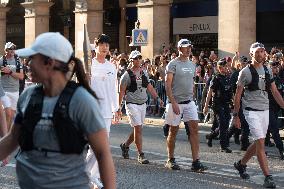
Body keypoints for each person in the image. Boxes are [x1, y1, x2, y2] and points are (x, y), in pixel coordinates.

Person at [0, 32, 116, 189]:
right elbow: (12, 138)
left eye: (33, 59)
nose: (27, 63)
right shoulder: (28, 96)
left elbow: (102, 153)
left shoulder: (81, 101)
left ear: (49, 62)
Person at [233, 42, 284, 188]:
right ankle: (268, 177)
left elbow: (274, 91)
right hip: (251, 110)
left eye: (263, 51)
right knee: (261, 142)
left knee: (257, 143)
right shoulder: (245, 72)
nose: (261, 54)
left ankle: (241, 164)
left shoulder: (268, 69)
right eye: (258, 52)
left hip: (265, 110)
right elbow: (237, 95)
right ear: (252, 54)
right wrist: (236, 115)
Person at [164, 39, 207, 172]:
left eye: (189, 47)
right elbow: (167, 85)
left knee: (194, 131)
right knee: (173, 131)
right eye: (185, 47)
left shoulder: (192, 64)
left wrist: (192, 95)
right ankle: (170, 159)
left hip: (189, 103)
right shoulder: (172, 64)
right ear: (179, 49)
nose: (188, 49)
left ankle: (196, 162)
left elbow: (192, 82)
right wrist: (173, 102)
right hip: (175, 103)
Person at [118, 50, 163, 164]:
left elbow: (149, 87)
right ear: (132, 60)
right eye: (136, 58)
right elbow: (121, 91)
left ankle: (125, 145)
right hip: (131, 104)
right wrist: (118, 107)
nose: (138, 60)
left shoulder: (144, 73)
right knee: (138, 128)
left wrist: (157, 98)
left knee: (137, 129)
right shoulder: (126, 75)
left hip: (142, 104)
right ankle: (140, 154)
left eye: (140, 58)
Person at [86, 34, 119, 189]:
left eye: (107, 44)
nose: (105, 47)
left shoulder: (111, 66)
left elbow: (113, 90)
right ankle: (86, 174)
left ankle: (92, 178)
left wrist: (116, 109)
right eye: (102, 44)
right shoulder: (89, 65)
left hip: (106, 112)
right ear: (96, 45)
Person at [203, 58, 233, 153]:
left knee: (225, 124)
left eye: (225, 66)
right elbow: (210, 92)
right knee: (223, 123)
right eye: (223, 66)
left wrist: (233, 102)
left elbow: (230, 92)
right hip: (218, 104)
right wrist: (206, 106)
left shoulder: (228, 77)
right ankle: (223, 146)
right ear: (219, 68)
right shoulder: (216, 78)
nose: (225, 68)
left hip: (226, 104)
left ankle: (210, 136)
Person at [0, 42, 24, 131]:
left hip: (15, 91)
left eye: (14, 48)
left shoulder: (18, 61)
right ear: (6, 50)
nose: (13, 50)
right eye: (11, 48)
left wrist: (10, 72)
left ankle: (6, 135)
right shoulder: (1, 60)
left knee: (12, 115)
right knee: (7, 114)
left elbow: (21, 76)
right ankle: (3, 135)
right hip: (3, 91)